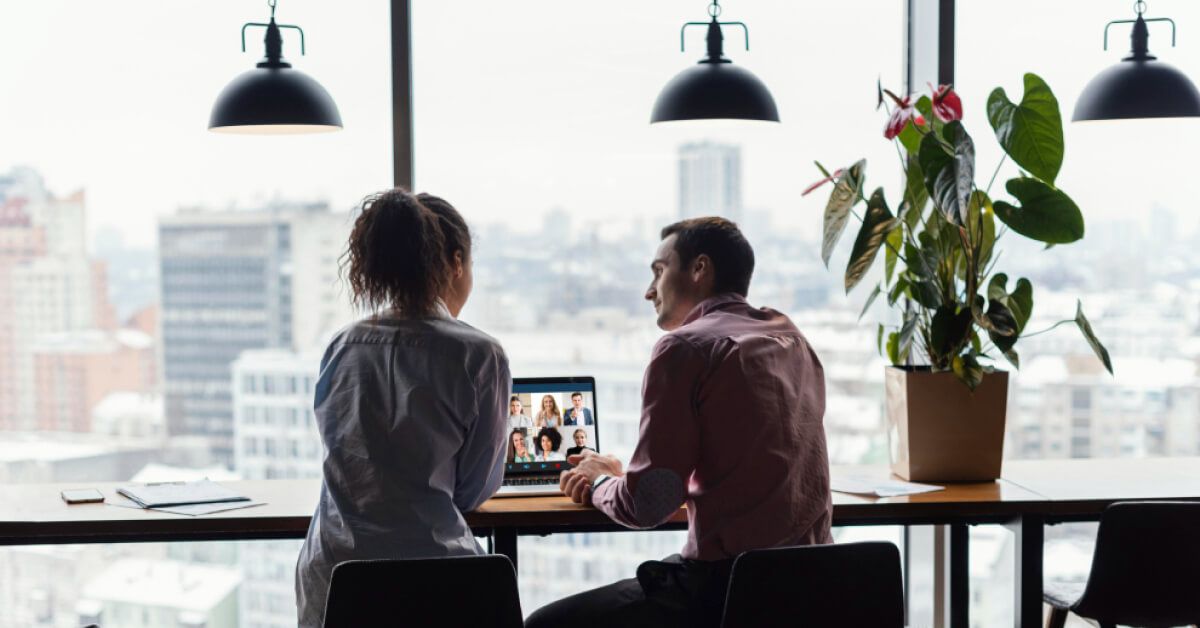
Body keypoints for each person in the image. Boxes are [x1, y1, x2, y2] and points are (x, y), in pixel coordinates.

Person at [526, 217, 831, 628]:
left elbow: (648, 504)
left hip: (728, 591)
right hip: (817, 587)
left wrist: (600, 481)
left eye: (658, 271)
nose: (649, 291)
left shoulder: (684, 347)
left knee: (544, 625)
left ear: (699, 269)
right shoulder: (791, 337)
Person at [295, 189, 510, 628]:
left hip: (337, 578)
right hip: (439, 586)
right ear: (454, 263)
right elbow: (473, 490)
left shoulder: (342, 345)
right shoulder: (479, 355)